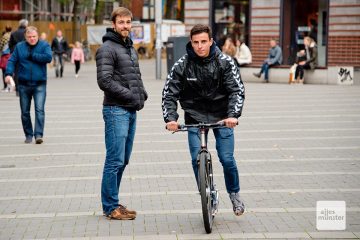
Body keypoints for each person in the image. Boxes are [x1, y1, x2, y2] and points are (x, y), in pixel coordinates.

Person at [162, 24, 246, 216]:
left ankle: (234, 194)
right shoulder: (181, 65)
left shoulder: (225, 62)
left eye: (203, 42)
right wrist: (171, 118)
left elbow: (236, 90)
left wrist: (233, 115)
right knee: (196, 159)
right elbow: (169, 94)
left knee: (226, 158)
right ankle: (208, 194)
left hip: (222, 116)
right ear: (191, 43)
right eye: (196, 42)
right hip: (194, 116)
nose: (199, 46)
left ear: (211, 41)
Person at [96, 7, 148, 220]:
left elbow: (134, 75)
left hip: (129, 109)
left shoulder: (129, 48)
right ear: (114, 23)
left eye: (128, 22)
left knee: (123, 159)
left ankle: (114, 201)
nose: (126, 26)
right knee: (114, 159)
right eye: (122, 22)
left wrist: (142, 94)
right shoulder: (107, 48)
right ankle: (110, 207)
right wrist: (130, 95)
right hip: (115, 109)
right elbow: (104, 81)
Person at [4, 26, 52, 144]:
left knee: (39, 110)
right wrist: (8, 74)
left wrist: (34, 56)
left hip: (39, 83)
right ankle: (28, 134)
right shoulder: (20, 47)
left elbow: (48, 57)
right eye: (29, 37)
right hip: (24, 84)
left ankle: (39, 134)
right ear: (25, 37)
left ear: (38, 36)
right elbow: (12, 60)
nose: (32, 39)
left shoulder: (44, 45)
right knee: (25, 112)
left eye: (34, 36)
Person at [9, 19, 28, 95]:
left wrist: (12, 52)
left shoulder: (14, 33)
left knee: (16, 72)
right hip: (25, 53)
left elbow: (10, 44)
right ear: (26, 25)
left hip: (15, 53)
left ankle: (17, 89)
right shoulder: (26, 33)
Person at [0, 25, 12, 90]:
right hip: (12, 54)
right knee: (11, 71)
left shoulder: (4, 36)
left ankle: (6, 86)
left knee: (4, 71)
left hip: (5, 55)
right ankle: (12, 85)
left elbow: (1, 46)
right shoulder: (13, 34)